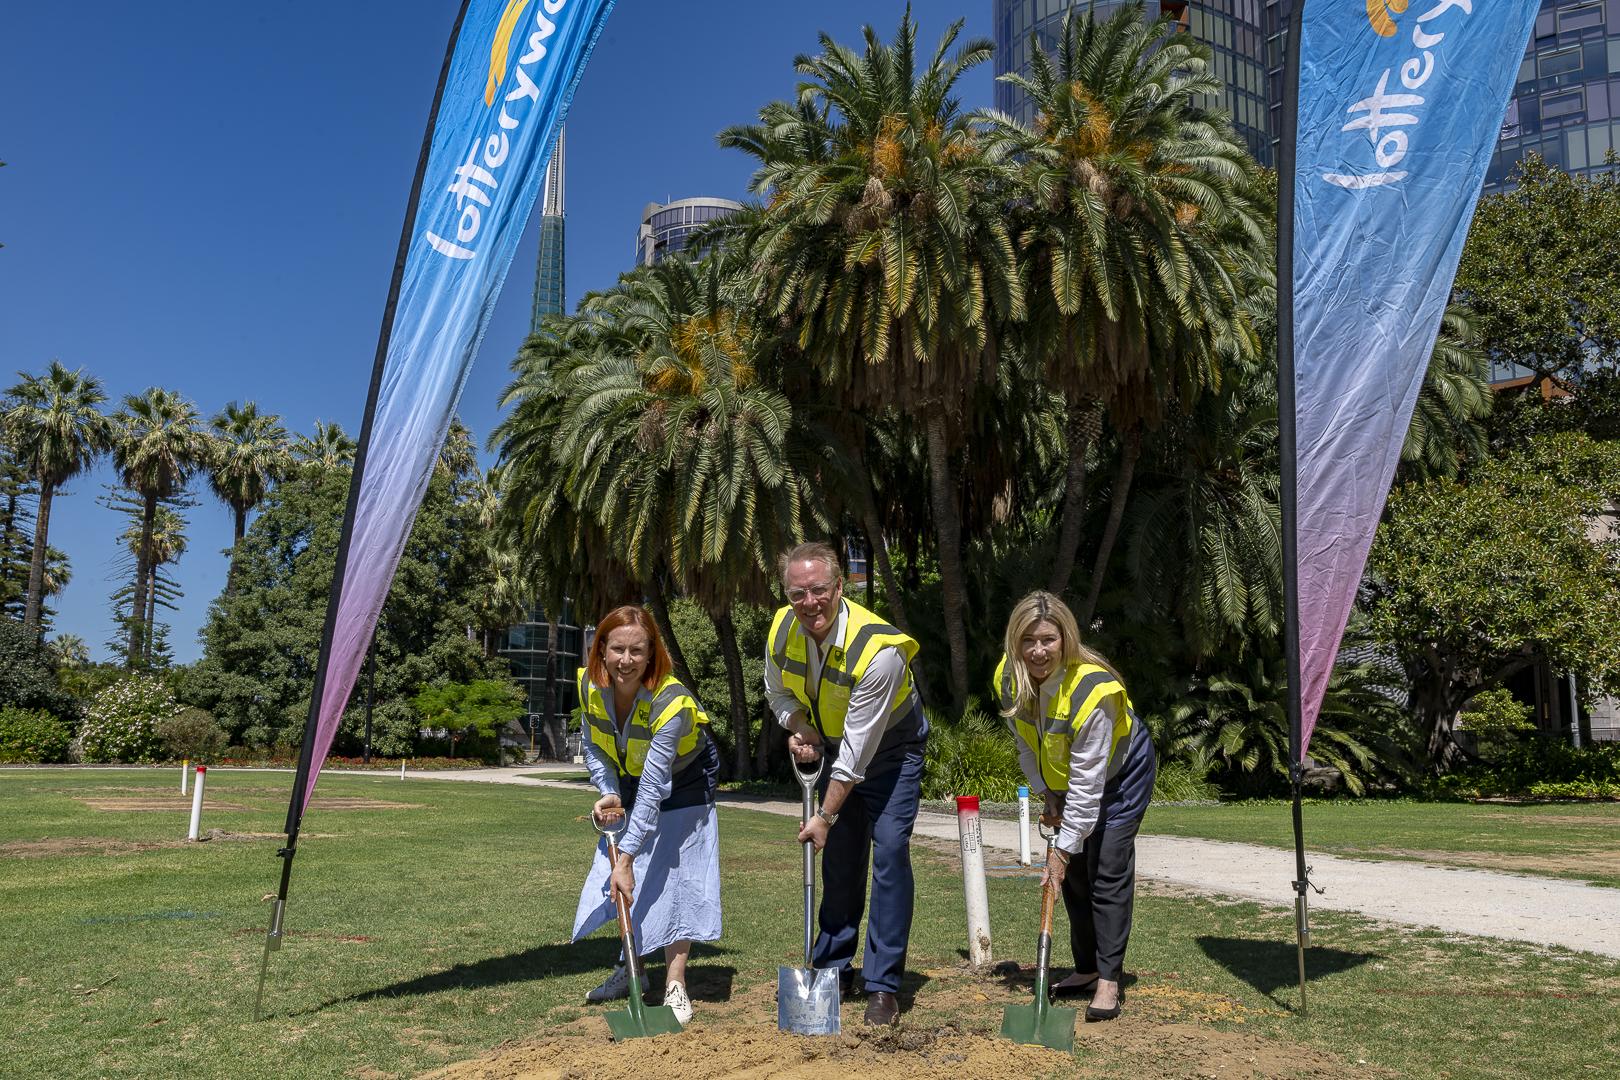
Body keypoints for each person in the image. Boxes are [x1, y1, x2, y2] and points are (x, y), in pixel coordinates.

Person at [764, 541, 929, 1027]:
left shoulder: (880, 651)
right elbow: (777, 690)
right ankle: (832, 969)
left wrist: (824, 815)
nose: (809, 602)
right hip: (837, 745)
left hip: (892, 752)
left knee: (890, 853)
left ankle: (882, 986)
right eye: (798, 593)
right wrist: (800, 726)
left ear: (840, 587)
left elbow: (857, 754)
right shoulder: (782, 629)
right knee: (838, 861)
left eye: (819, 590)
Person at [994, 591, 1157, 1021]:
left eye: (1048, 639)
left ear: (1066, 638)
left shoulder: (1093, 691)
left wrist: (1062, 851)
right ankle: (1086, 970)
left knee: (1105, 866)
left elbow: (1088, 790)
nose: (1038, 650)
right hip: (1069, 781)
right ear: (1015, 641)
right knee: (1076, 879)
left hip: (1122, 775)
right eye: (1028, 640)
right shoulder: (1012, 679)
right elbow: (1027, 747)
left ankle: (1108, 980)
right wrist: (1047, 792)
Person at [572, 604, 720, 1025]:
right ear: (600, 650)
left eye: (637, 651)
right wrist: (609, 792)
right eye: (617, 648)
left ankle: (675, 984)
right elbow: (595, 745)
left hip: (686, 776)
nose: (626, 660)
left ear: (652, 654)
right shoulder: (588, 687)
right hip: (631, 773)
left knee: (679, 871)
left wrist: (627, 859)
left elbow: (655, 786)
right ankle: (632, 970)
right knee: (624, 876)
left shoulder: (671, 702)